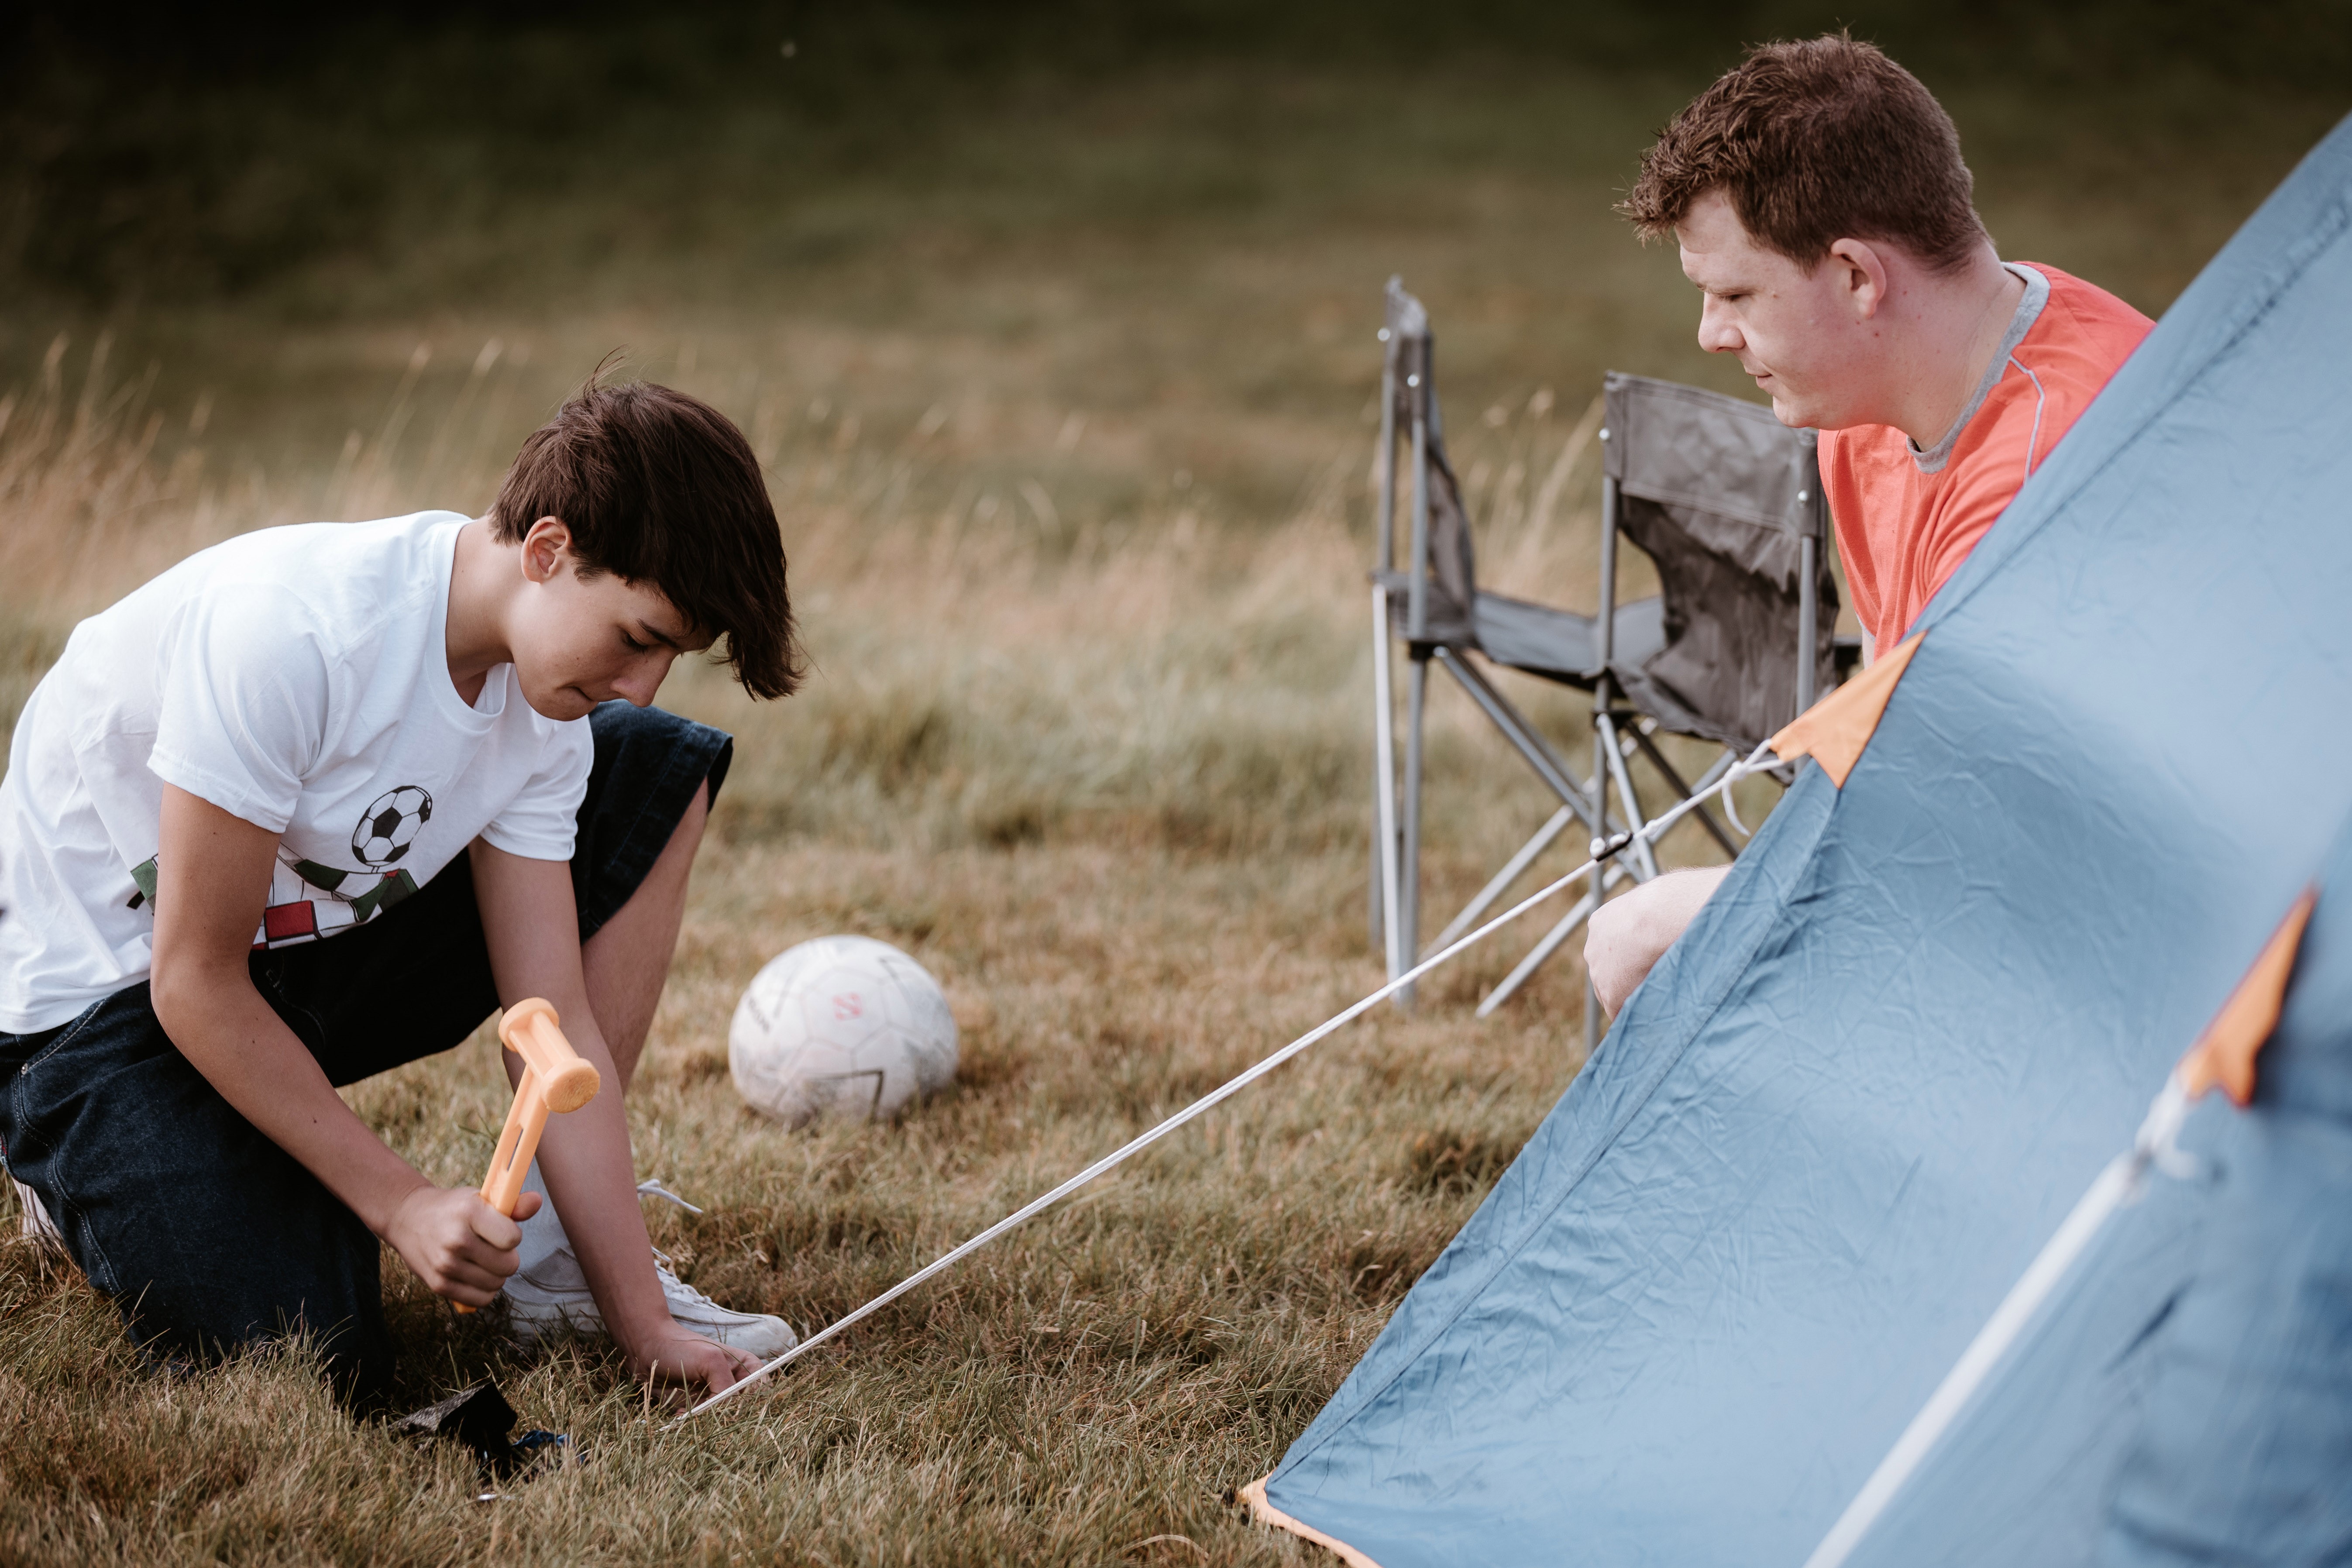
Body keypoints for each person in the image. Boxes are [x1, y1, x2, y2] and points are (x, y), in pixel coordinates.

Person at [0, 376, 802, 1408]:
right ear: (549, 551)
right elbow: (193, 979)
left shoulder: (542, 710)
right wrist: (405, 1203)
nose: (639, 680)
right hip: (98, 1005)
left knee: (647, 760)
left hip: (282, 957)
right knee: (312, 1350)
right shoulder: (288, 636)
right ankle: (69, 1172)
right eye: (638, 637)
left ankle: (565, 1266)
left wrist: (639, 1318)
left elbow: (551, 1024)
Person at [1583, 34, 2154, 1019]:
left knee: (1638, 940)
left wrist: (1691, 914)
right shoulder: (1878, 403)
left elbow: (1988, 863)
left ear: (1856, 275)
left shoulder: (2051, 472)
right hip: (1989, 877)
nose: (1712, 334)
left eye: (1736, 294)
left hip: (2102, 941)